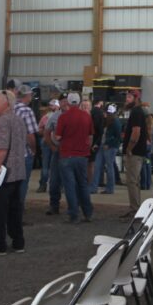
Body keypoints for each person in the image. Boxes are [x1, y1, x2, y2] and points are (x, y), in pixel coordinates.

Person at [0, 90, 26, 254]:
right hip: (17, 172)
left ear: (6, 103)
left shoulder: (3, 122)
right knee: (14, 210)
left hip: (4, 174)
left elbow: (1, 150)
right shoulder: (18, 120)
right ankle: (18, 242)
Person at [54, 91, 95, 223]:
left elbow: (58, 137)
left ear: (68, 102)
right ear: (78, 102)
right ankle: (88, 213)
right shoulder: (87, 117)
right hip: (82, 155)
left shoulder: (63, 117)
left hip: (66, 155)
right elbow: (90, 136)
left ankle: (74, 214)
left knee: (69, 186)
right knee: (83, 184)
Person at [121, 90, 149, 219]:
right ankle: (136, 208)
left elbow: (136, 132)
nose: (127, 99)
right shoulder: (138, 111)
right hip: (137, 151)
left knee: (132, 181)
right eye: (126, 96)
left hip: (134, 152)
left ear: (136, 98)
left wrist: (129, 148)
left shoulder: (136, 112)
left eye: (130, 97)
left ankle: (135, 210)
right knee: (135, 181)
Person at [13, 85, 38, 206]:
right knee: (22, 184)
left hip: (10, 154)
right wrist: (34, 150)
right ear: (27, 96)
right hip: (24, 153)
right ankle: (18, 214)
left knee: (11, 184)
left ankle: (10, 212)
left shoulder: (10, 108)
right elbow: (30, 135)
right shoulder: (27, 111)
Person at [43, 95, 68, 216]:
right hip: (58, 151)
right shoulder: (54, 116)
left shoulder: (76, 115)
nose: (65, 103)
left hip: (71, 152)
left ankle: (74, 207)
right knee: (54, 181)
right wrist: (52, 146)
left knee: (71, 180)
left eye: (66, 101)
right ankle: (54, 205)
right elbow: (46, 132)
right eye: (62, 101)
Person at [91, 104, 121, 194]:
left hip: (110, 147)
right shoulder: (107, 122)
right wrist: (97, 143)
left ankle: (109, 188)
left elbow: (118, 137)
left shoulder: (115, 122)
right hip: (104, 146)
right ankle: (94, 187)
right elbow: (102, 135)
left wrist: (109, 144)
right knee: (98, 166)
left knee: (108, 167)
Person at [36, 100, 58, 192]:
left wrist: (44, 132)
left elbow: (39, 130)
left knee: (46, 165)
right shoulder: (59, 116)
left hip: (47, 141)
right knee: (53, 165)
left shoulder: (45, 117)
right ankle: (52, 185)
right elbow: (39, 130)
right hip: (54, 142)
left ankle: (43, 185)